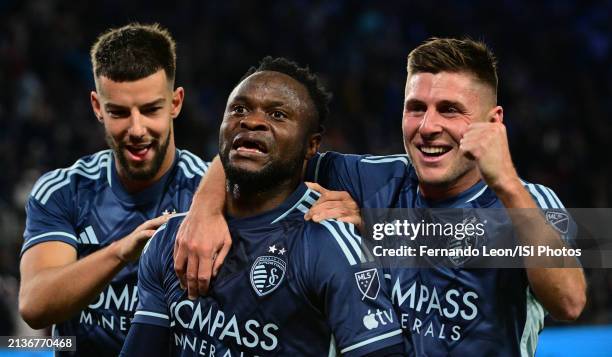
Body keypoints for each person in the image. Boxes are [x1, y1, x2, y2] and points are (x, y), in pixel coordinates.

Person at [174, 38, 586, 356]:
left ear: (493, 122)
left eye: (449, 109)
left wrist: (507, 184)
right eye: (415, 107)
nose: (427, 126)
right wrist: (204, 210)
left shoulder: (529, 202)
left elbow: (569, 301)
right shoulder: (371, 177)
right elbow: (261, 151)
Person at [121, 57, 405, 356]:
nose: (252, 120)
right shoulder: (172, 238)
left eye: (278, 114)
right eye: (239, 109)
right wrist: (204, 206)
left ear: (312, 145)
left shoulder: (331, 243)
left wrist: (375, 231)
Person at [19, 23, 208, 356]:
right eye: (119, 112)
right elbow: (35, 306)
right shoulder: (64, 190)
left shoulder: (208, 192)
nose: (137, 129)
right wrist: (122, 251)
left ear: (176, 103)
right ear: (97, 107)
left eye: (151, 109)